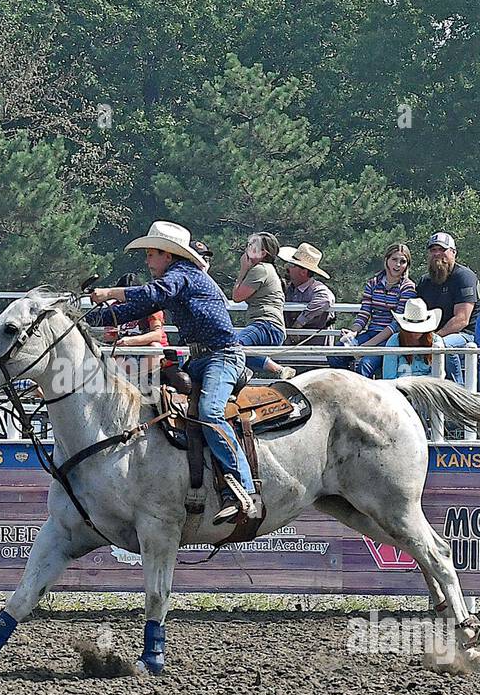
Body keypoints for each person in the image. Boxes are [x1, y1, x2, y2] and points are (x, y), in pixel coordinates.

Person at [84, 220, 257, 525]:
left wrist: (109, 292)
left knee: (210, 413)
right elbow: (132, 309)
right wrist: (88, 316)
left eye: (152, 253)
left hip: (223, 356)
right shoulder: (179, 279)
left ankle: (244, 488)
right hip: (202, 358)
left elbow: (151, 294)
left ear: (168, 254)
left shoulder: (183, 275)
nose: (148, 260)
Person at [335, 242, 416, 376]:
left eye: (402, 261)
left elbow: (396, 323)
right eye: (394, 259)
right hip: (370, 332)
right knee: (336, 354)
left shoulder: (408, 287)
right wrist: (353, 333)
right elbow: (364, 312)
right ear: (386, 260)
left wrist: (367, 346)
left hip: (391, 339)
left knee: (365, 364)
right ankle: (346, 385)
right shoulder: (373, 283)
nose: (398, 265)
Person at [415, 231, 479, 385]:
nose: (437, 254)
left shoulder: (464, 277)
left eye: (442, 249)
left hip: (466, 334)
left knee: (445, 345)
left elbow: (462, 319)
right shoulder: (425, 281)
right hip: (435, 335)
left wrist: (435, 337)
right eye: (433, 250)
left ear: (453, 253)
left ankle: (458, 391)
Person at [230, 232, 292, 379]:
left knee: (233, 347)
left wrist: (243, 269)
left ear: (263, 252)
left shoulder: (261, 269)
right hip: (269, 326)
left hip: (266, 325)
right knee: (233, 349)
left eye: (252, 245)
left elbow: (237, 296)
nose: (247, 248)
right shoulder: (266, 269)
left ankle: (277, 369)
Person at [279, 242, 335, 348]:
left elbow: (325, 300)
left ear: (303, 272)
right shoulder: (288, 289)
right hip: (290, 353)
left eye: (291, 265)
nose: (286, 267)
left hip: (315, 354)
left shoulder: (317, 289)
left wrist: (299, 323)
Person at [380, 299, 444, 379]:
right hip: (400, 389)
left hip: (428, 389)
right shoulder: (394, 341)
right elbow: (389, 377)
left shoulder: (436, 341)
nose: (416, 332)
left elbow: (439, 377)